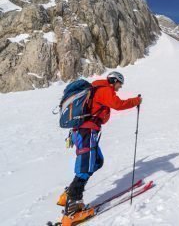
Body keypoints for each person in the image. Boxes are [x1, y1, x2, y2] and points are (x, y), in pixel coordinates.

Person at [58, 71, 142, 217]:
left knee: (96, 161)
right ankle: (73, 206)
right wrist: (136, 101)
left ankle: (70, 192)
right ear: (114, 80)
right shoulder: (104, 89)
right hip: (87, 130)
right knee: (86, 165)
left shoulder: (98, 89)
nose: (118, 88)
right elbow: (118, 104)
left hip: (86, 131)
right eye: (118, 84)